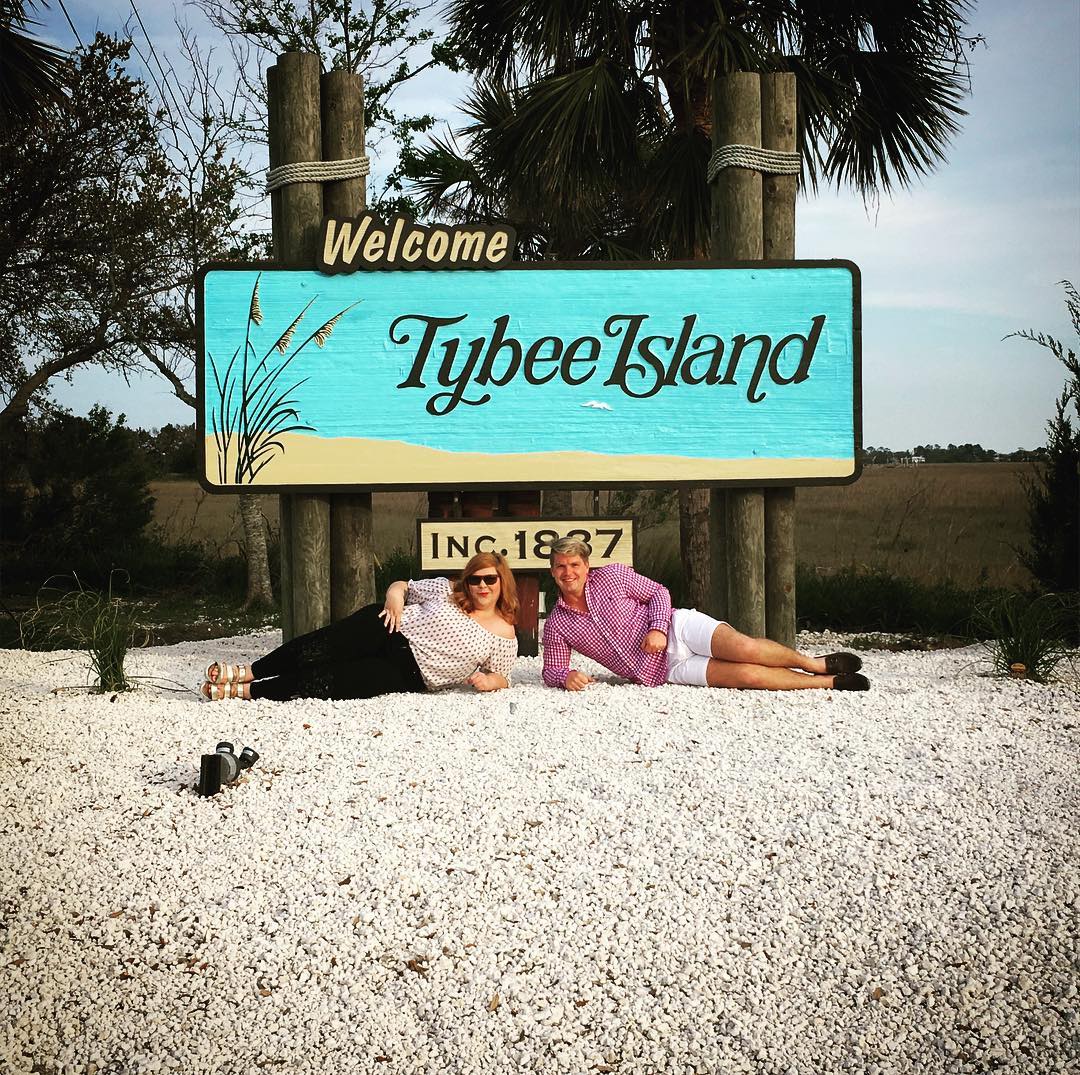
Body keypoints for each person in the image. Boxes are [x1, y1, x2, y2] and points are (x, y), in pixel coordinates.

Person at [542, 538, 869, 692]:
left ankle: (815, 664)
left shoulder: (612, 575)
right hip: (665, 670)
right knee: (748, 677)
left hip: (678, 628)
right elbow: (553, 668)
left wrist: (657, 628)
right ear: (552, 571)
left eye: (574, 565)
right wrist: (565, 677)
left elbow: (659, 593)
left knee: (747, 650)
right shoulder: (558, 623)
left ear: (586, 566)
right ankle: (830, 683)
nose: (568, 572)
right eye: (560, 566)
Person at [201, 552, 519, 701]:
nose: (482, 586)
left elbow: (503, 676)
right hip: (387, 627)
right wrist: (394, 598)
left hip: (408, 672)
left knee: (328, 682)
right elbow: (402, 586)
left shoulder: (503, 633)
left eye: (489, 579)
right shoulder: (448, 590)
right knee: (318, 647)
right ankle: (250, 670)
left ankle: (248, 691)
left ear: (501, 582)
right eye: (474, 579)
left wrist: (490, 683)